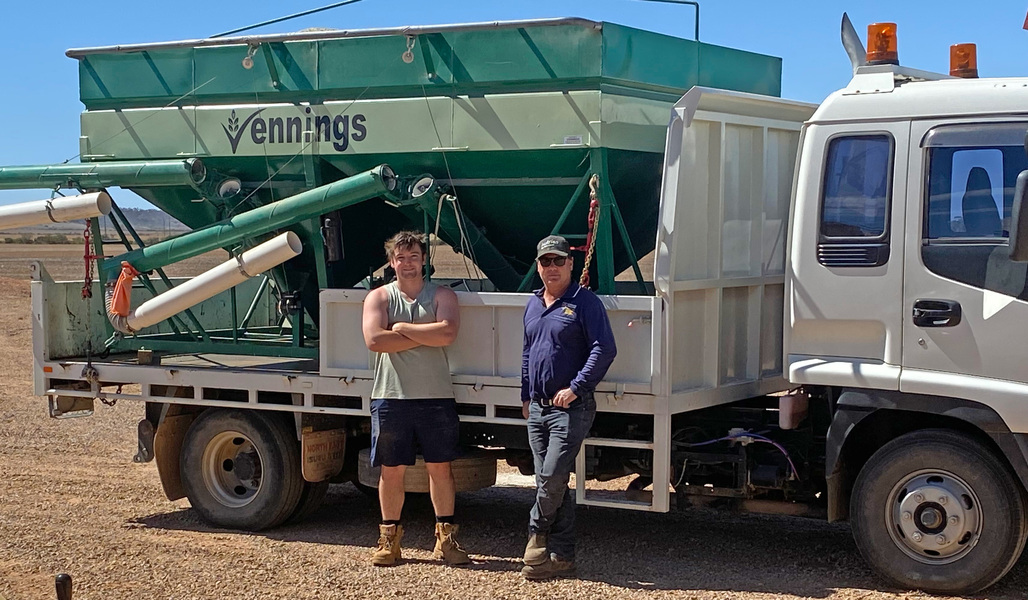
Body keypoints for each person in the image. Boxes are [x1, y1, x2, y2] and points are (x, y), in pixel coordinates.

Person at [361, 230, 470, 567]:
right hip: (390, 396)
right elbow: (375, 341)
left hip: (435, 396)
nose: (407, 264)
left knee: (441, 468)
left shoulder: (443, 295)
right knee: (392, 471)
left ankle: (446, 540)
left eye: (413, 257)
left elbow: (448, 333)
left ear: (424, 260)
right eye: (400, 258)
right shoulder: (378, 298)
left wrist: (403, 329)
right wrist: (426, 334)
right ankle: (389, 540)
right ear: (392, 262)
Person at [520, 235, 617, 580]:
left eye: (558, 261)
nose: (552, 268)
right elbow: (529, 352)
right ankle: (561, 556)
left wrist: (576, 388)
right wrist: (525, 396)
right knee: (551, 481)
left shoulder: (584, 302)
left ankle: (536, 534)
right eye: (545, 262)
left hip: (571, 410)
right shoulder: (533, 303)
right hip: (538, 409)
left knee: (552, 476)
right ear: (538, 265)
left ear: (571, 264)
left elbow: (604, 349)